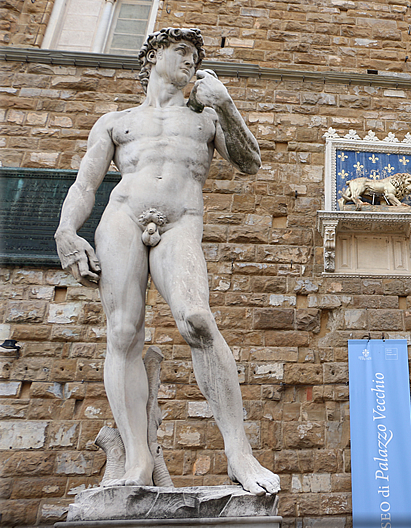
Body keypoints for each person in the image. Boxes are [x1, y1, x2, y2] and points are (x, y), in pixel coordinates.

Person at [55, 27, 279, 496]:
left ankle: (239, 452)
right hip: (121, 219)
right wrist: (65, 231)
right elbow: (84, 184)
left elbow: (251, 161)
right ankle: (138, 460)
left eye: (195, 56)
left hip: (179, 223)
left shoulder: (207, 117)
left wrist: (227, 105)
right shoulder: (117, 121)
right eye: (181, 52)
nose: (190, 62)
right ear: (153, 56)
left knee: (197, 319)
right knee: (122, 333)